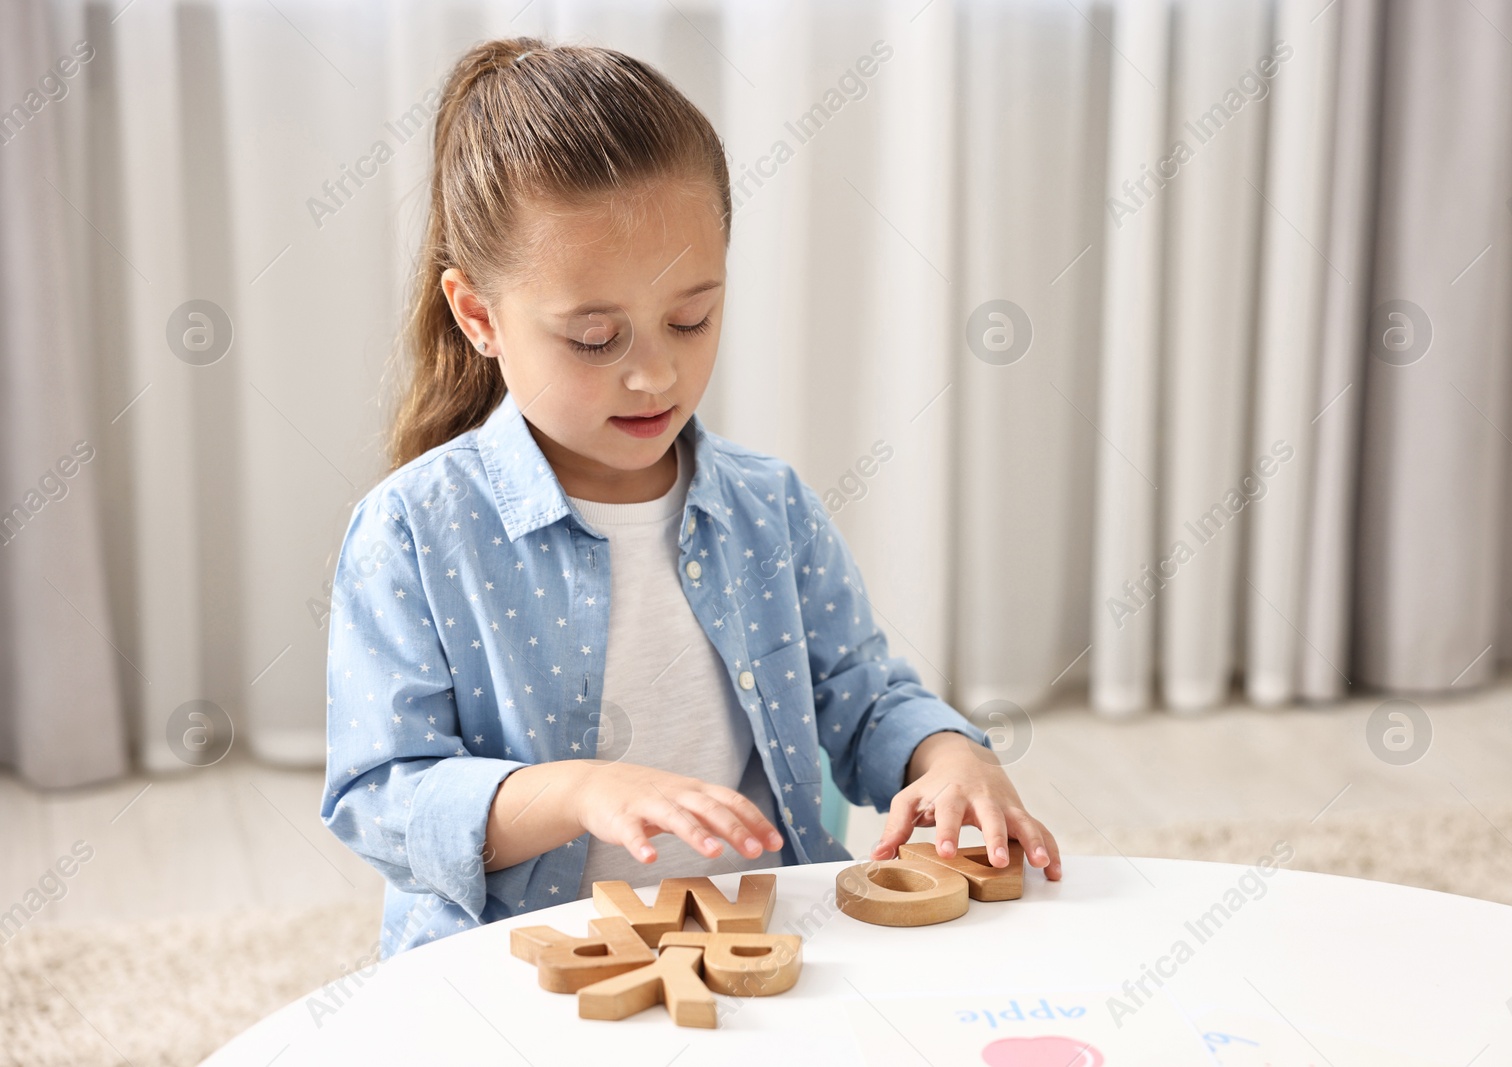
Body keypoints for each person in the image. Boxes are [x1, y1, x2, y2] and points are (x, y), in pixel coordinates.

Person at [320, 36, 1061, 958]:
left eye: (690, 318)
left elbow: (863, 697)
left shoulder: (768, 507)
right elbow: (380, 793)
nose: (655, 373)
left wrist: (952, 757)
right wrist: (577, 791)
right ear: (480, 316)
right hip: (515, 965)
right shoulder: (414, 531)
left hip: (757, 944)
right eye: (596, 338)